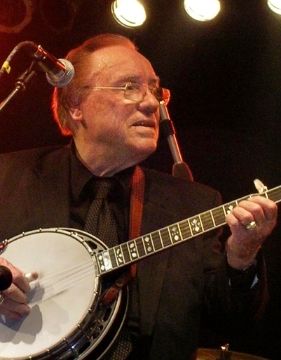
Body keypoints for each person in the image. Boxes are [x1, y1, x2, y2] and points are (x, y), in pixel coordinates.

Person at [0, 33, 277, 360]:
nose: (151, 103)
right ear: (76, 106)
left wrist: (242, 257)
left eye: (155, 89)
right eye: (129, 87)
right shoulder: (9, 177)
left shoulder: (193, 204)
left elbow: (233, 322)